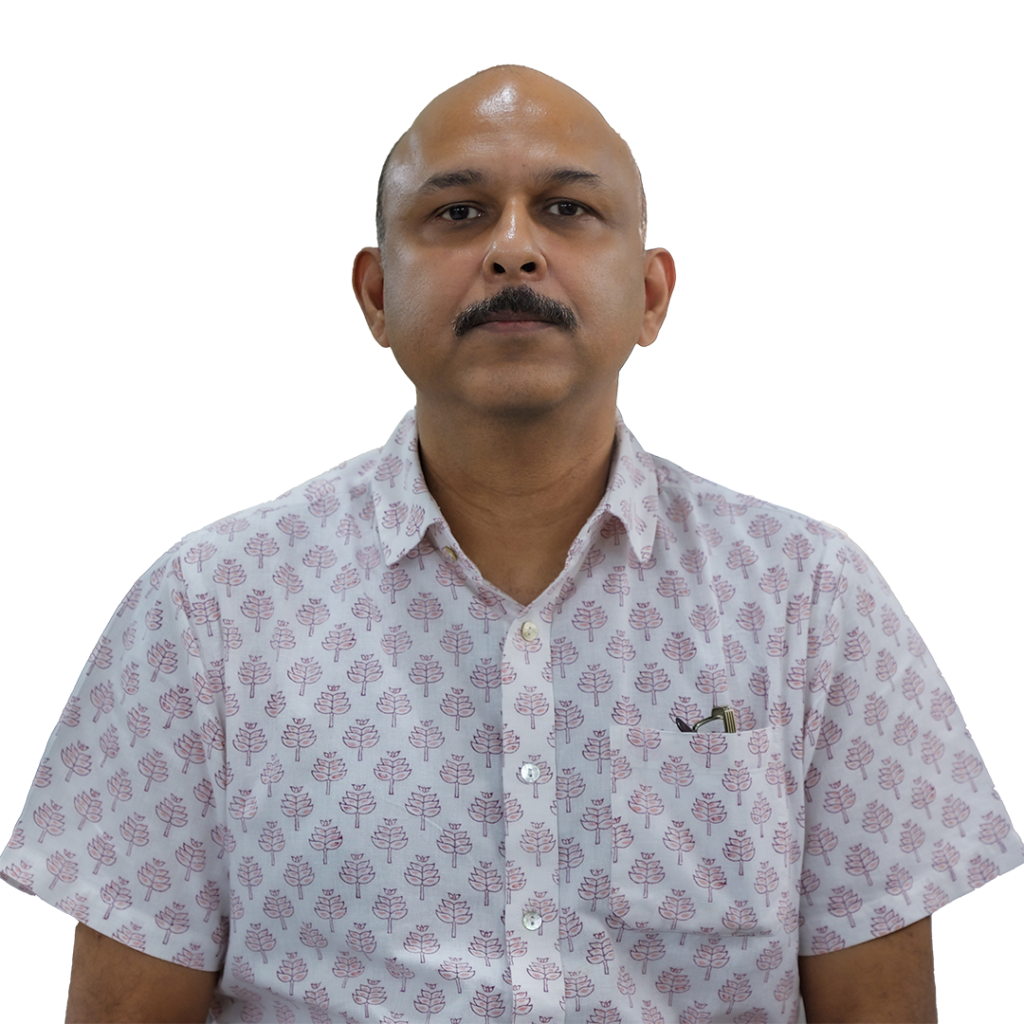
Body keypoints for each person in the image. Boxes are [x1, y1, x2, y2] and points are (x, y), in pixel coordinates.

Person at [5, 64, 1021, 1024]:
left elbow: (879, 1010)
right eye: (458, 213)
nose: (513, 250)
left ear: (653, 295)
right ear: (374, 295)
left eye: (567, 209)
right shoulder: (209, 608)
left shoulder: (809, 598)